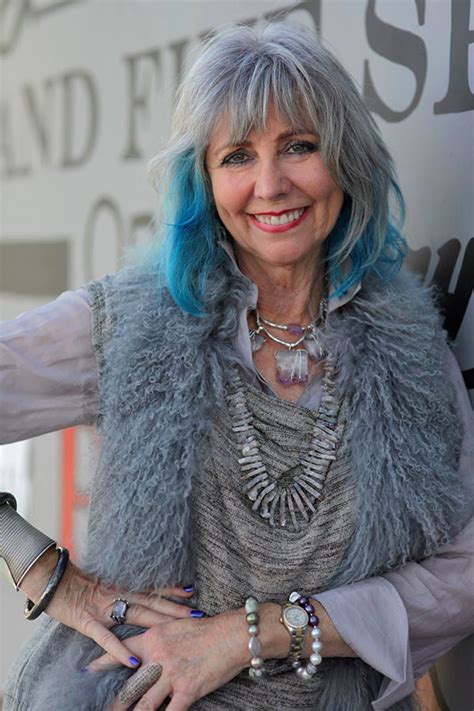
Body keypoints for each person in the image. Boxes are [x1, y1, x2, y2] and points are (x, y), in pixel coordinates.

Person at [0, 20, 473, 711]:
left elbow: (463, 574)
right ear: (205, 181)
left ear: (344, 157)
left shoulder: (409, 345)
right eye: (237, 157)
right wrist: (45, 572)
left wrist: (245, 635)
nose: (271, 184)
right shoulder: (131, 321)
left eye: (299, 146)